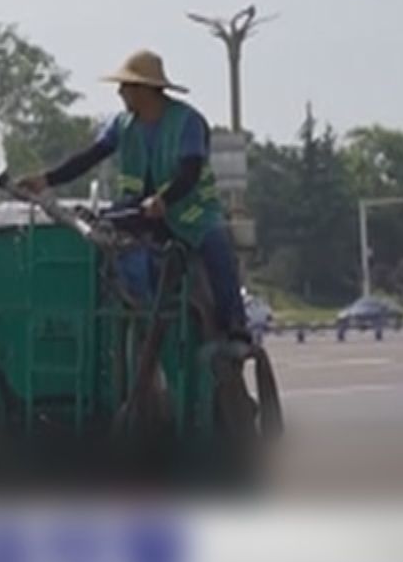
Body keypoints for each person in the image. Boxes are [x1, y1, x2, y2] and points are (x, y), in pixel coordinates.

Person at [13, 49, 250, 345]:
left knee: (217, 246)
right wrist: (46, 180)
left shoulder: (188, 122)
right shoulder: (122, 124)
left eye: (126, 86)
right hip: (139, 209)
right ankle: (137, 314)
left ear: (145, 90)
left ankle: (234, 324)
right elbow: (90, 157)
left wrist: (163, 200)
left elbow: (189, 172)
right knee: (103, 235)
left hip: (191, 211)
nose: (120, 92)